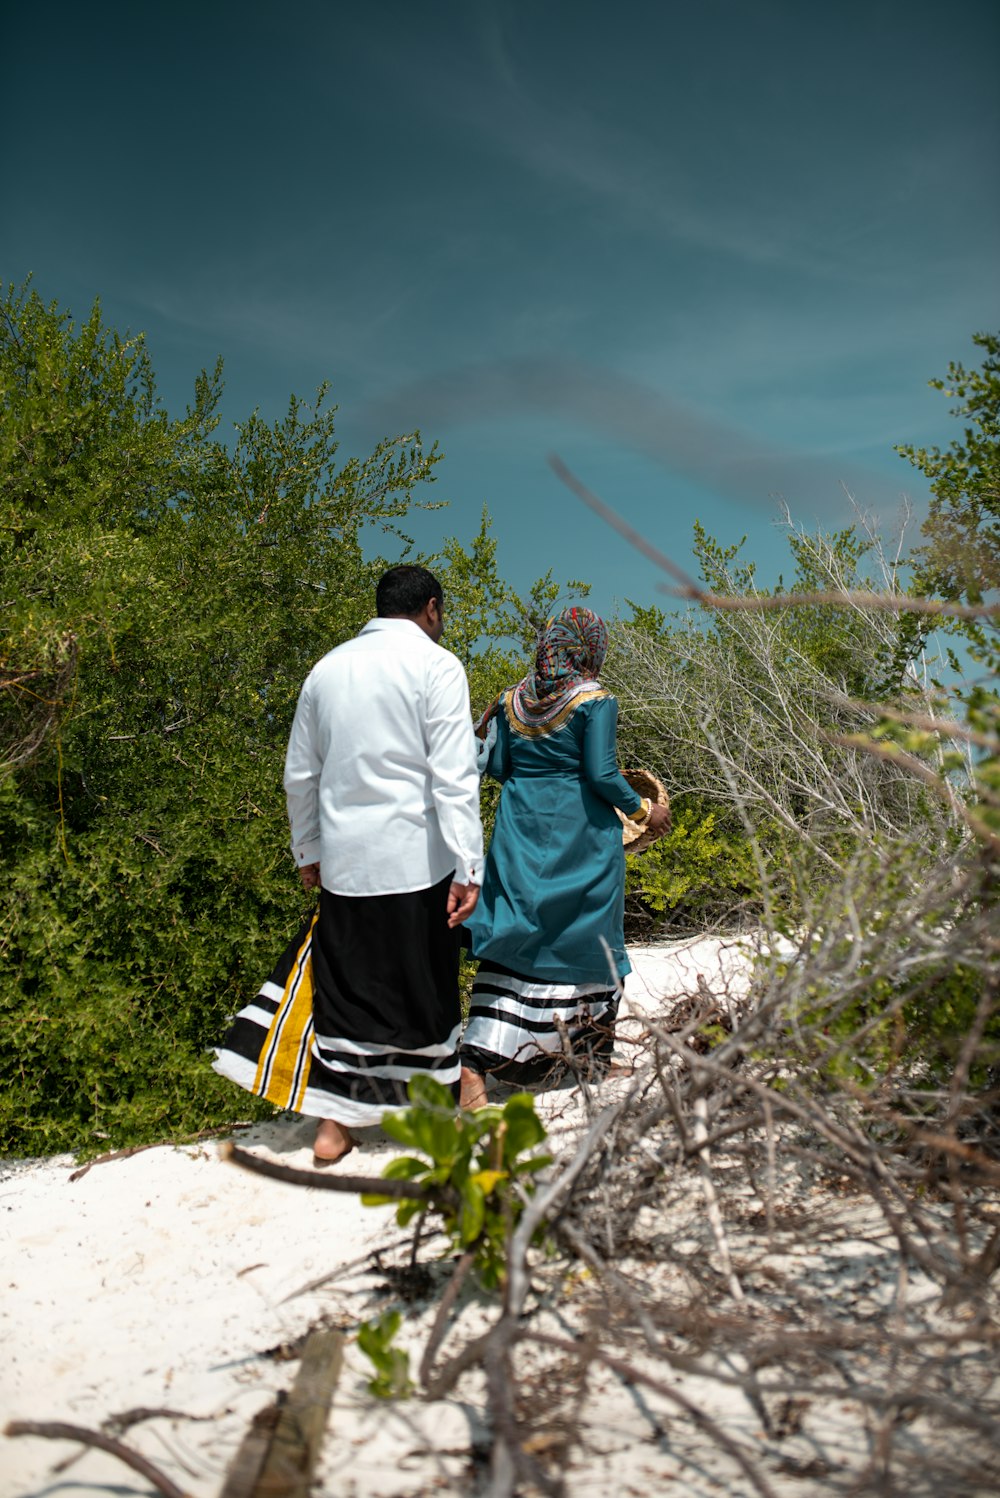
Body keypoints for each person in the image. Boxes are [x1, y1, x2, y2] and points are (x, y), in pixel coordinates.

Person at [214, 565, 483, 1164]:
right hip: (419, 859)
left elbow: (300, 774)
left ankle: (334, 1125)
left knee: (349, 992)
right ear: (432, 610)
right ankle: (436, 1119)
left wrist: (307, 849)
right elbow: (454, 776)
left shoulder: (326, 669)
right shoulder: (438, 667)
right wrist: (470, 867)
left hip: (346, 864)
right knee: (425, 991)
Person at [459, 606, 669, 1109]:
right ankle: (590, 1052)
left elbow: (502, 766)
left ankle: (475, 1065)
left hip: (519, 828)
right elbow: (601, 773)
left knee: (515, 933)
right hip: (580, 836)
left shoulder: (511, 700)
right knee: (589, 932)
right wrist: (644, 809)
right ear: (591, 647)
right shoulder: (596, 700)